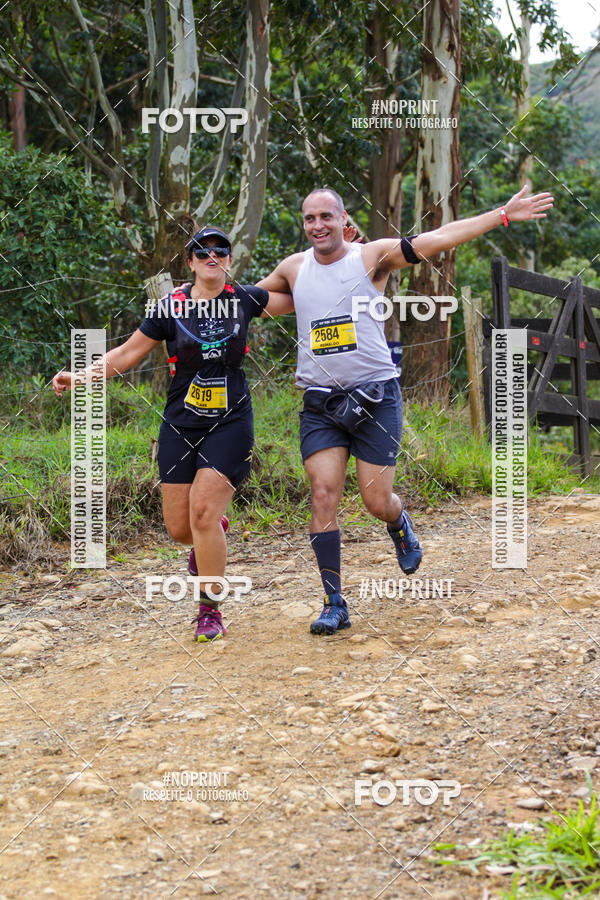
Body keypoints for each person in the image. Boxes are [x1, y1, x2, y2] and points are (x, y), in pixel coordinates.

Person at [257, 185, 554, 635]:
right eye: (309, 219)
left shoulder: (369, 257)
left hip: (376, 397)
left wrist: (502, 215)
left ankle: (398, 521)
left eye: (326, 217)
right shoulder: (293, 269)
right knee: (323, 495)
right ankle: (333, 603)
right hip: (320, 402)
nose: (317, 225)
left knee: (376, 500)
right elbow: (245, 303)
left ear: (344, 222)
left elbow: (438, 238)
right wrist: (196, 291)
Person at [53, 226, 293, 642]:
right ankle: (210, 537)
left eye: (221, 250)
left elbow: (308, 295)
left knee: (201, 512)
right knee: (182, 529)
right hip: (181, 422)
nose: (212, 255)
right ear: (190, 262)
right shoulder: (170, 307)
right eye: (202, 251)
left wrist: (349, 259)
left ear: (230, 259)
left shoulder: (246, 299)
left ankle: (209, 610)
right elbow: (127, 353)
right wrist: (81, 375)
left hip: (231, 422)